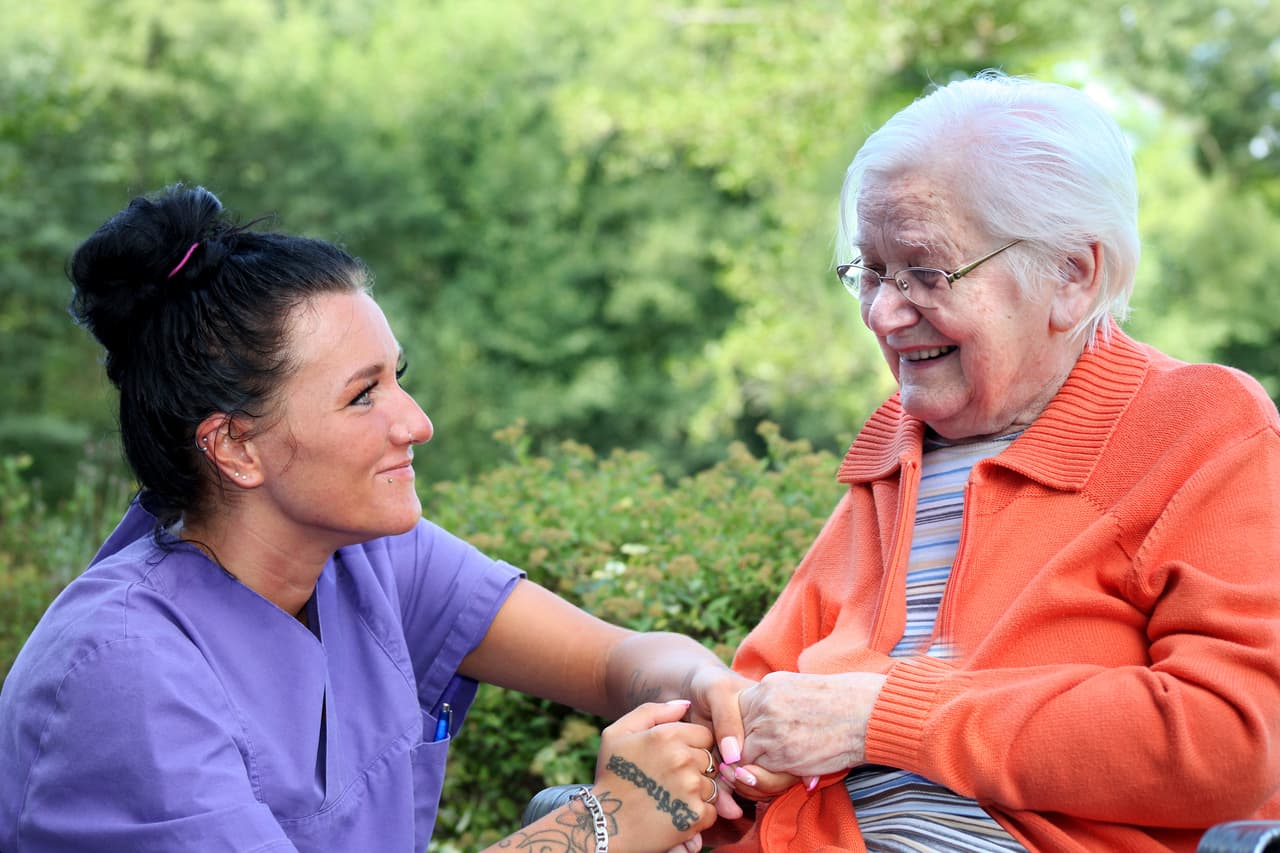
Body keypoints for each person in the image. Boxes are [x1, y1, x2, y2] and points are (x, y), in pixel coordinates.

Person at [0, 185, 752, 853]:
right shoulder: (123, 671)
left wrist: (707, 691)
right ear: (235, 446)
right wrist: (599, 824)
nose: (417, 423)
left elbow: (616, 662)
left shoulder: (368, 561)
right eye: (364, 395)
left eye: (400, 379)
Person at [711, 70, 1280, 851]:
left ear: (1072, 276)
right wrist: (701, 752)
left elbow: (1234, 744)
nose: (883, 311)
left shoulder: (1198, 429)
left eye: (925, 271)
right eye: (870, 272)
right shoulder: (895, 452)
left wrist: (887, 717)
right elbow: (758, 697)